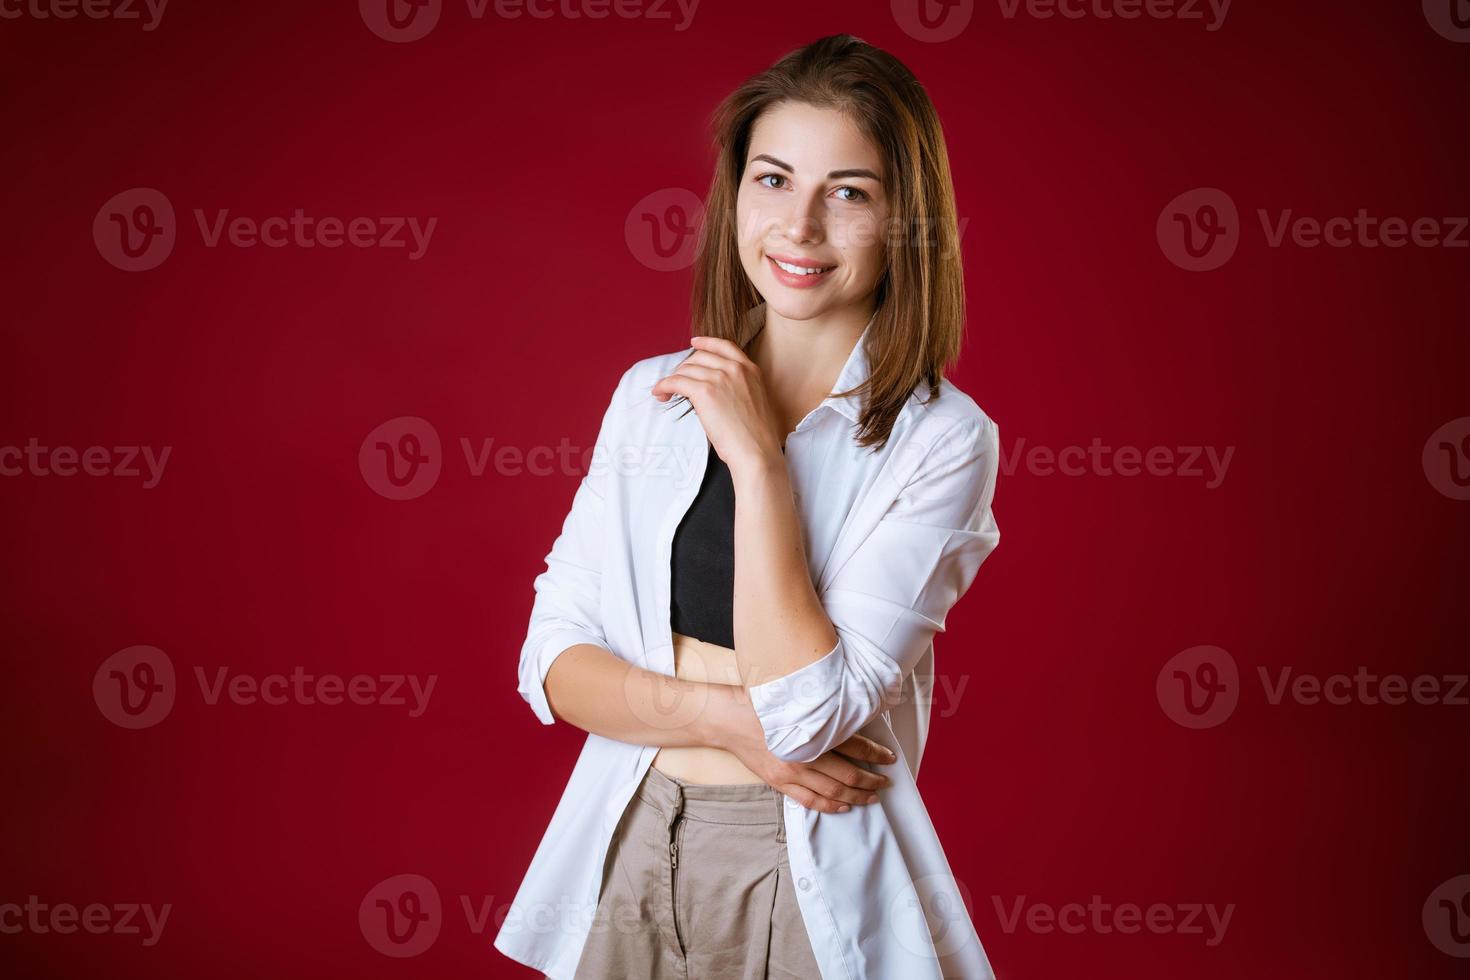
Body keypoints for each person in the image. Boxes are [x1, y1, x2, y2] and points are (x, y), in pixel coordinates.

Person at [493, 33, 1002, 980]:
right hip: (635, 833)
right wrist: (726, 720)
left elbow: (810, 721)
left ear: (905, 221)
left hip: (803, 856)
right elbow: (551, 664)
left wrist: (761, 463)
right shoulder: (653, 395)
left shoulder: (943, 439)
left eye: (849, 192)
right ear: (736, 197)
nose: (799, 226)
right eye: (773, 179)